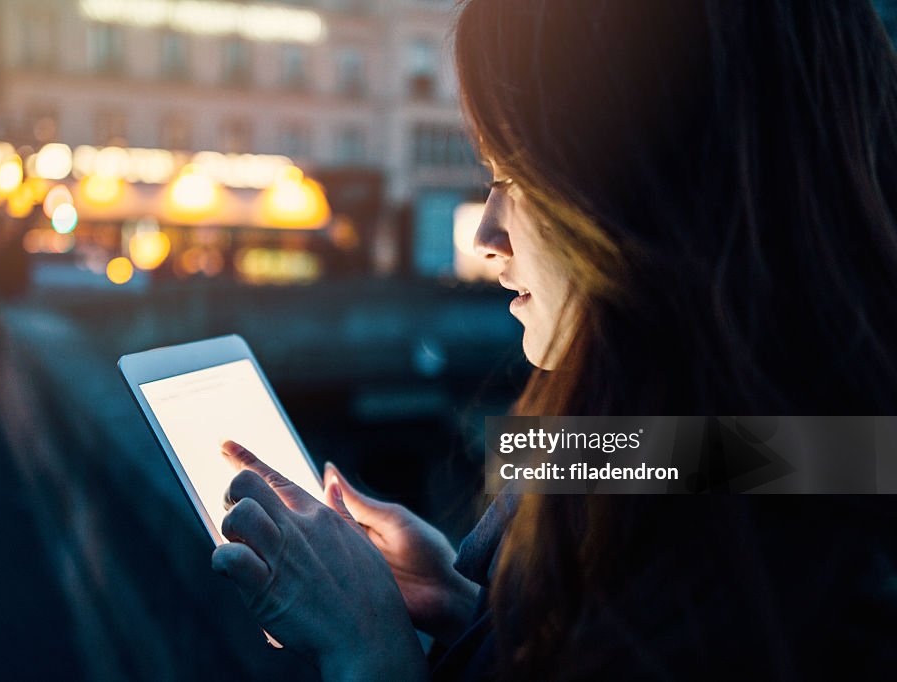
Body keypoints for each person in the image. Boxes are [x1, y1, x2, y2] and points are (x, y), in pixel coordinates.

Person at [211, 1, 897, 680]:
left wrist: (368, 654)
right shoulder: (806, 457)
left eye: (515, 179)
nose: (485, 237)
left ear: (652, 184)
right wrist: (463, 603)